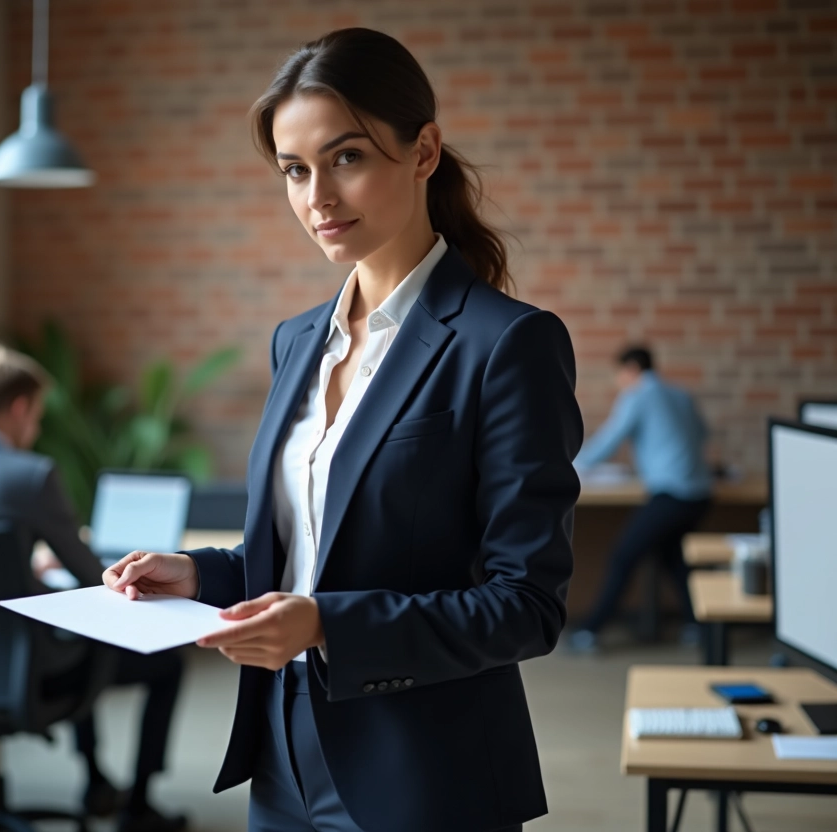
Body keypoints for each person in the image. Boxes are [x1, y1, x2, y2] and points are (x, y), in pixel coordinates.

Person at [103, 28, 582, 832]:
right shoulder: (298, 340)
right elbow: (307, 551)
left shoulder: (507, 343)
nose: (316, 196)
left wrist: (326, 625)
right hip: (282, 754)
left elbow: (526, 605)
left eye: (347, 158)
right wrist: (201, 575)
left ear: (424, 150)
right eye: (295, 169)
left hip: (424, 771)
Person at [0, 345, 188, 832]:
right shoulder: (30, 475)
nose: (34, 429)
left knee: (65, 630)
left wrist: (25, 564)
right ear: (20, 408)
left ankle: (97, 779)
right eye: (35, 416)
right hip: (28, 667)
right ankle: (136, 806)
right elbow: (90, 575)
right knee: (163, 664)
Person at [568, 345, 712, 652]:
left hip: (671, 494)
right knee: (674, 559)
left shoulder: (639, 395)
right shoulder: (681, 394)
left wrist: (571, 466)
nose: (619, 382)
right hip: (699, 494)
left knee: (623, 556)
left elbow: (609, 440)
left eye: (619, 374)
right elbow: (702, 434)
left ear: (631, 369)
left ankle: (589, 631)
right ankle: (697, 626)